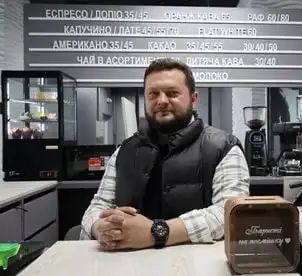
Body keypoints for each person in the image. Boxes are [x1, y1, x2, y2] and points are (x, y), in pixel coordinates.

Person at [80, 58, 250, 251]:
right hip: (129, 265)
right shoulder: (124, 151)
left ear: (194, 100)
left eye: (172, 93)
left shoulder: (224, 148)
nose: (161, 101)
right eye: (153, 94)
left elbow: (230, 213)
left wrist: (157, 232)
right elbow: (96, 208)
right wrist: (99, 226)